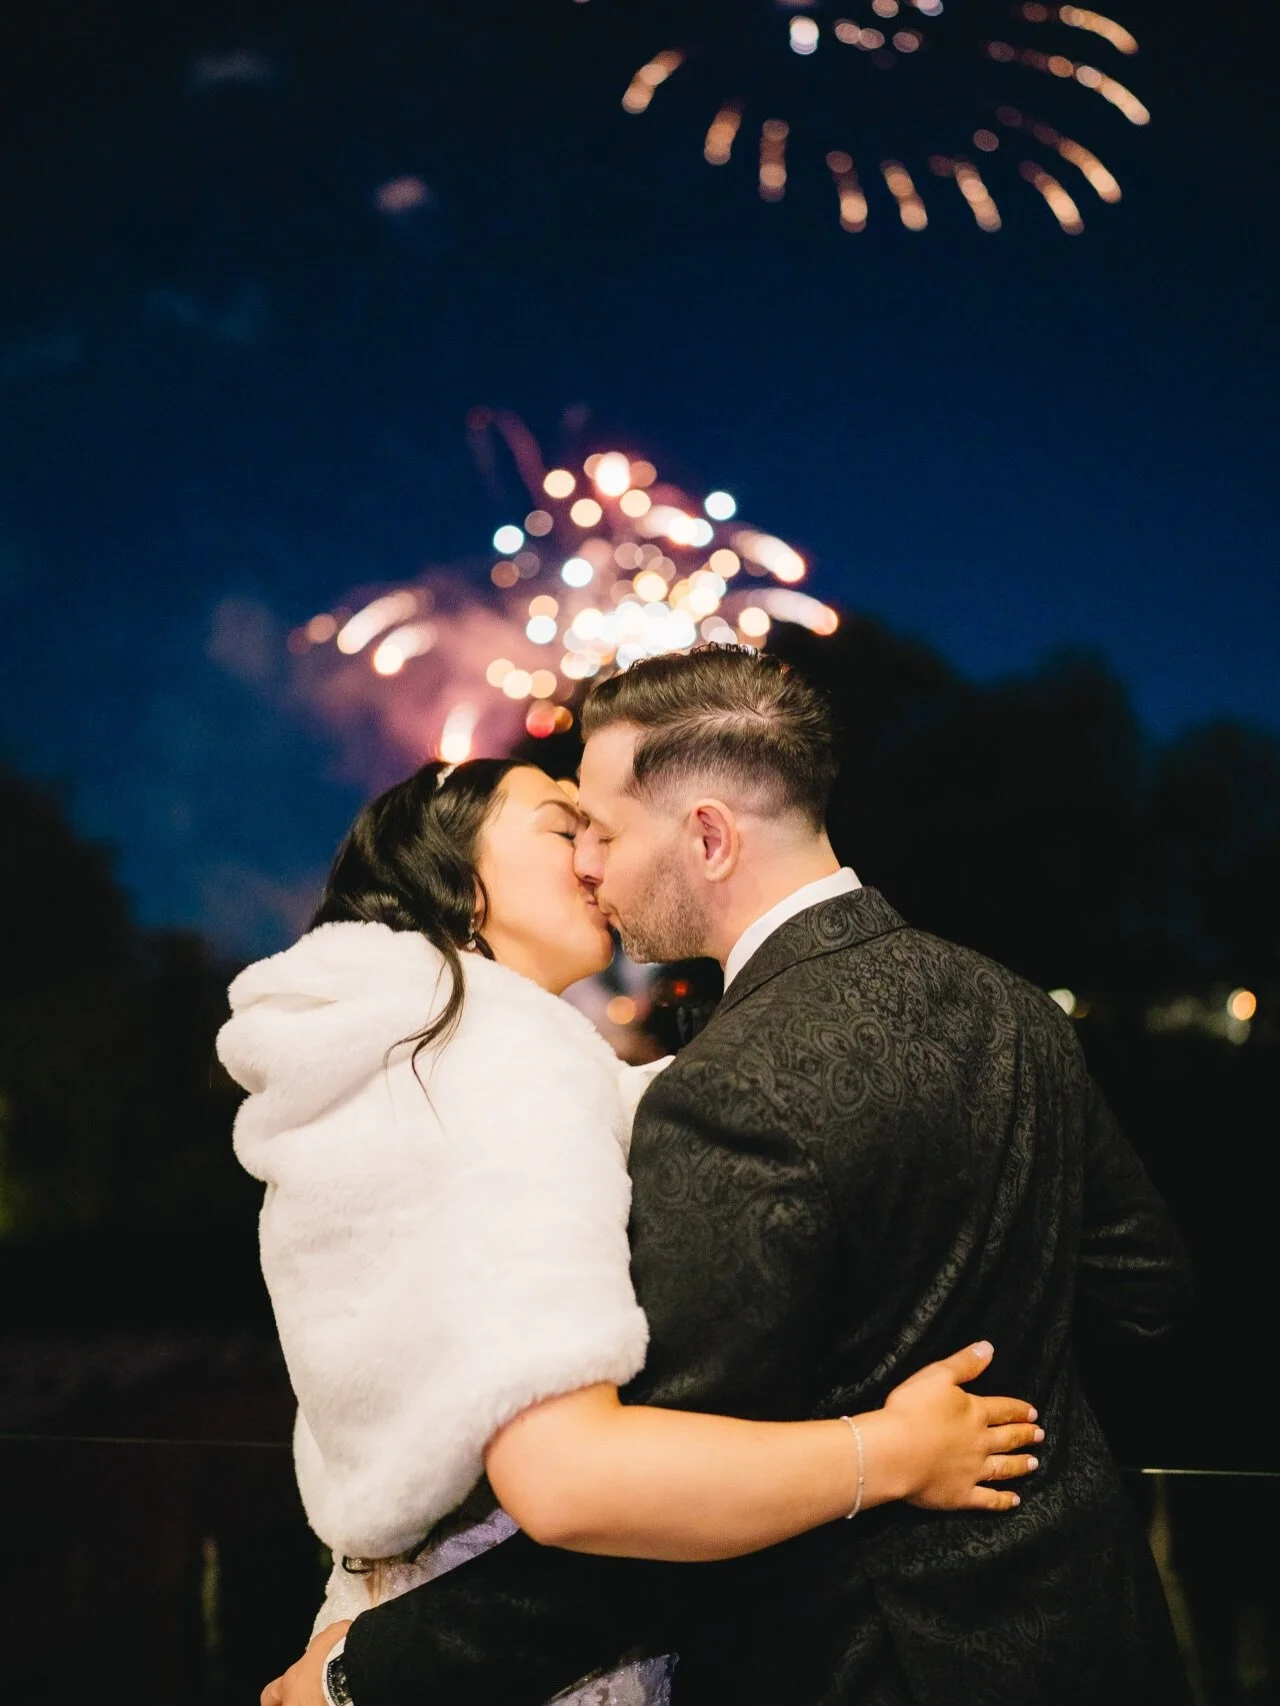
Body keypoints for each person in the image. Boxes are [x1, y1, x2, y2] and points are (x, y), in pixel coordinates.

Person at [267, 644, 1194, 1706]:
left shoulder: (725, 1089)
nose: (594, 868)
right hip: (1085, 1633)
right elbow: (1148, 1304)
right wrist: (1023, 1462)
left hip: (850, 1660)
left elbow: (636, 1518)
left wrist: (362, 1675)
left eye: (601, 833)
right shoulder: (1014, 1007)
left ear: (706, 835)